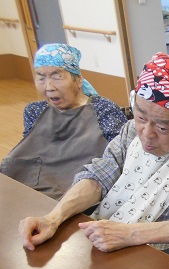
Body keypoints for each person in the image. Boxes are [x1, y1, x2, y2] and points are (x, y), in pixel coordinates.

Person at [18, 52, 169, 253]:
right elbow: (99, 176)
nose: (146, 134)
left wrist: (130, 233)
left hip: (161, 257)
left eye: (162, 127)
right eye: (141, 117)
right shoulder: (131, 131)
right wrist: (53, 218)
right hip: (107, 240)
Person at [1, 43, 127, 200]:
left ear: (78, 80)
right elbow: (29, 152)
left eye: (57, 76)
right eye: (40, 77)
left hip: (78, 191)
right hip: (31, 186)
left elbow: (119, 157)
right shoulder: (34, 111)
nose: (49, 87)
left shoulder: (104, 109)